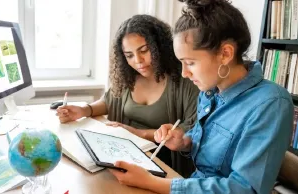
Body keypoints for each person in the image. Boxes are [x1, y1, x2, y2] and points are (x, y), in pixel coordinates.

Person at [108, 0, 294, 193]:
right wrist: (184, 142)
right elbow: (204, 145)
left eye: (190, 62)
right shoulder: (209, 93)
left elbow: (244, 189)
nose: (184, 73)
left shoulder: (271, 104)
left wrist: (152, 182)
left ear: (225, 53)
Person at [56, 14, 200, 177]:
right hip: (128, 157)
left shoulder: (186, 80)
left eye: (144, 51)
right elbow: (110, 100)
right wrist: (84, 110)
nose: (138, 60)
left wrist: (139, 133)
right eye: (129, 55)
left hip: (164, 167)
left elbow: (192, 132)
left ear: (159, 46)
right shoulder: (129, 77)